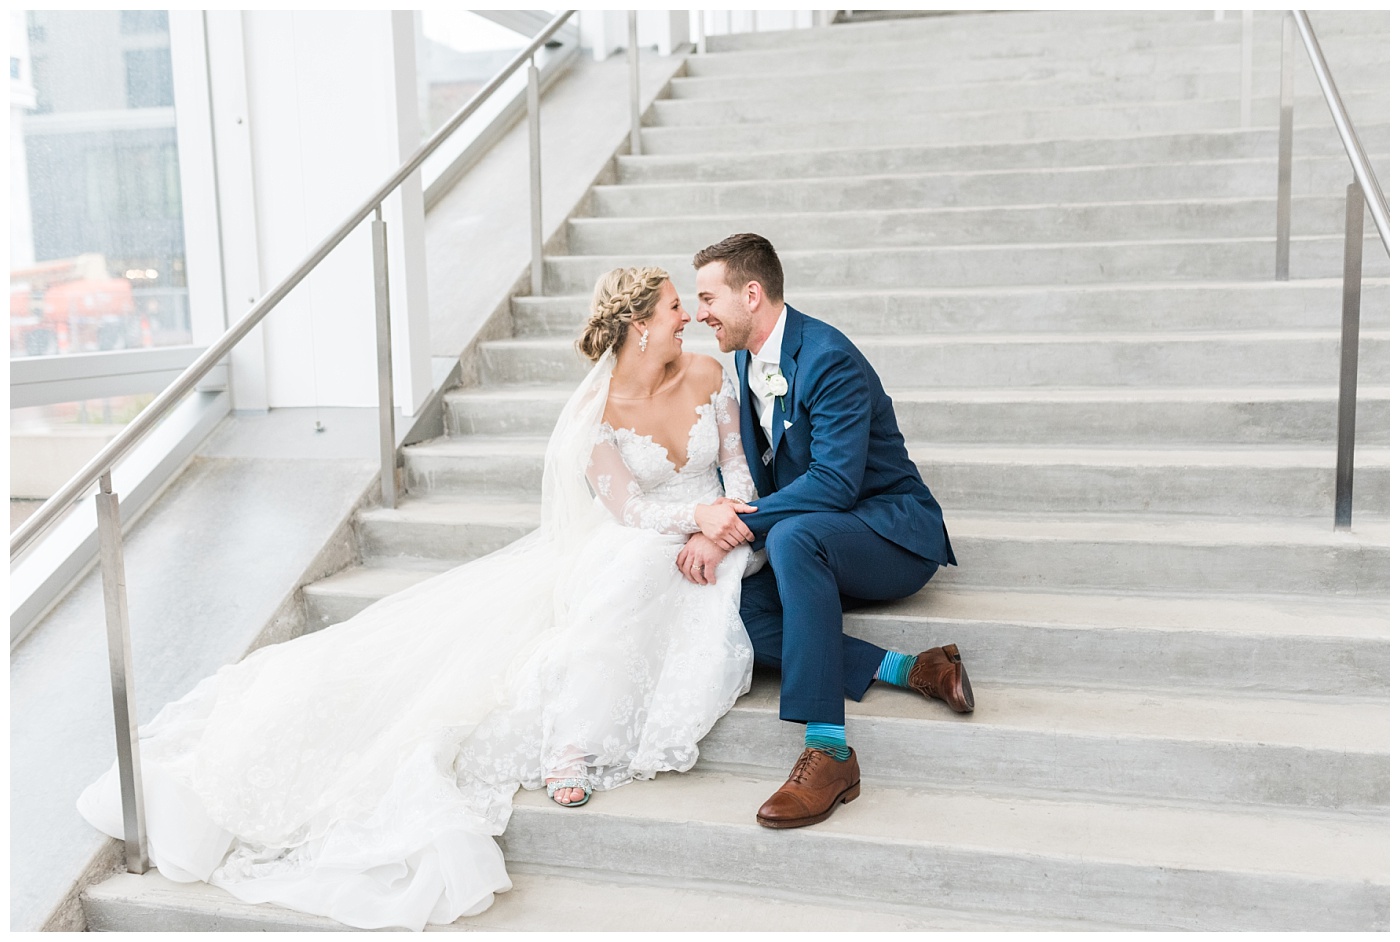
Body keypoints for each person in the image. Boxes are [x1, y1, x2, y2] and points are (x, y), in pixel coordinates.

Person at [77, 267, 761, 931]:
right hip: (643, 536)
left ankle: (583, 726)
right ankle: (570, 745)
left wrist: (720, 520)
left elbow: (737, 466)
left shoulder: (708, 373)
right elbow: (629, 512)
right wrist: (690, 523)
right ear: (640, 325)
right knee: (632, 569)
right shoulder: (592, 417)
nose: (690, 317)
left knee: (669, 569)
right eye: (676, 306)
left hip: (720, 527)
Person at [681, 232, 971, 830]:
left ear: (751, 294)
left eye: (708, 298)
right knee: (731, 611)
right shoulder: (743, 357)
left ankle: (830, 751)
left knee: (790, 538)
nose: (700, 312)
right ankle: (911, 668)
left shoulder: (827, 357)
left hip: (888, 532)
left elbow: (836, 484)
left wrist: (733, 523)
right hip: (817, 538)